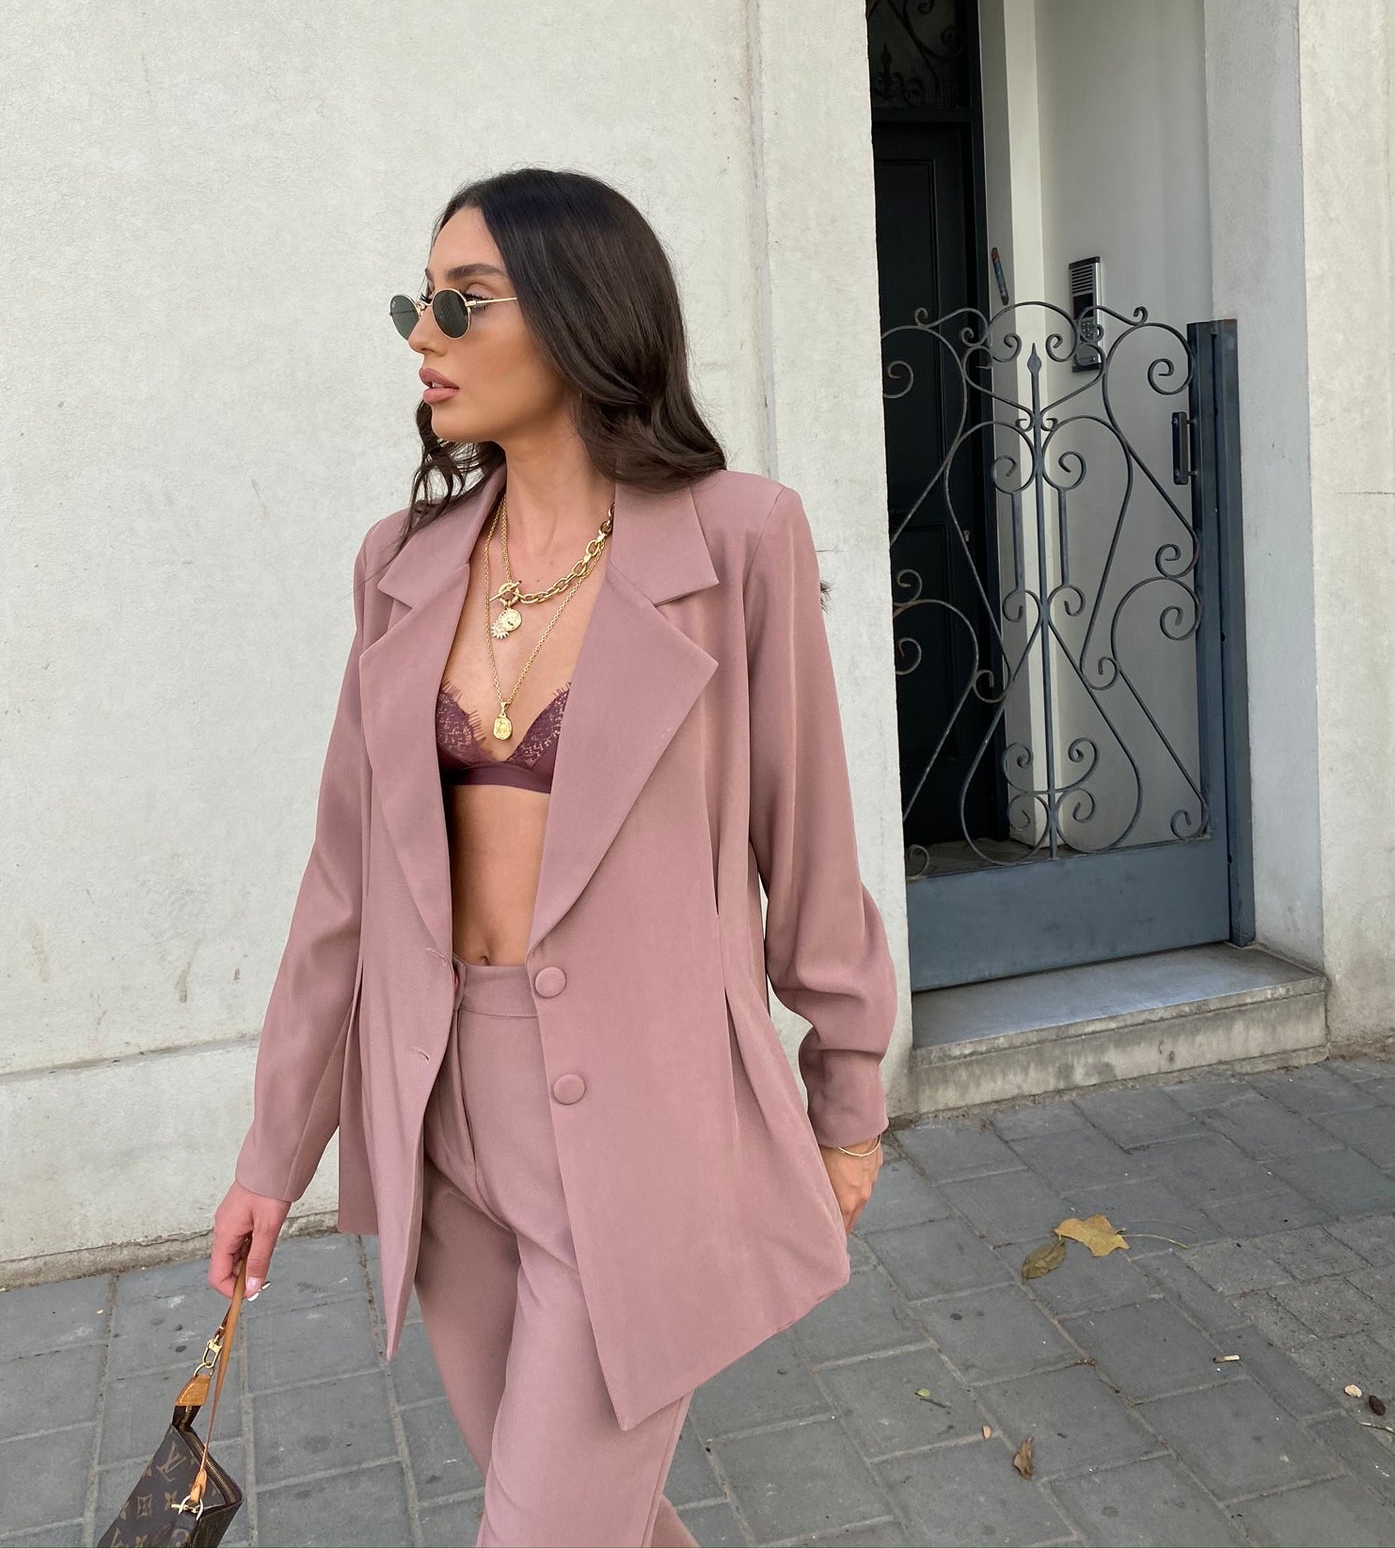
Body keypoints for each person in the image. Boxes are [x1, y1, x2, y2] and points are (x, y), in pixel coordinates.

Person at [208, 167, 900, 1547]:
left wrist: (848, 1088)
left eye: (463, 304)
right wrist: (272, 1154)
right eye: (418, 303)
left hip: (642, 1121)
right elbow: (343, 886)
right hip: (439, 1121)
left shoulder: (737, 537)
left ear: (585, 315)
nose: (424, 335)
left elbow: (807, 835)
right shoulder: (400, 562)